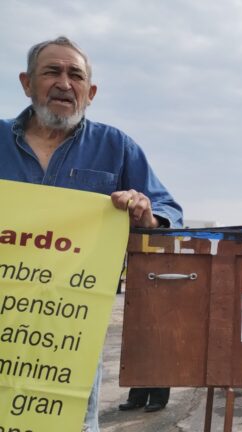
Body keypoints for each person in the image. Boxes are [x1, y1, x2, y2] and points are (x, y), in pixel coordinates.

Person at [0, 36, 183, 431]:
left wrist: (146, 214)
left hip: (69, 331)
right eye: (51, 72)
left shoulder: (115, 147)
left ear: (90, 91)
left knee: (69, 423)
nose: (64, 83)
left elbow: (170, 213)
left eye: (75, 75)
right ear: (26, 83)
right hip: (3, 317)